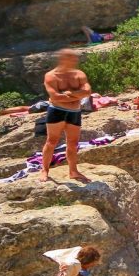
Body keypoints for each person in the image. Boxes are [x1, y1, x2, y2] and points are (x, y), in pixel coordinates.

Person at [40, 49, 92, 183]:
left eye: (75, 58)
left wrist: (70, 94)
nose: (75, 60)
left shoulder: (79, 74)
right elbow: (55, 96)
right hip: (57, 111)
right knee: (52, 141)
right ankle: (44, 170)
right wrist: (77, 95)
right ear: (63, 59)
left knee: (73, 143)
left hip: (74, 112)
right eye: (71, 58)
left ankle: (73, 171)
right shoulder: (51, 76)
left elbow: (87, 91)